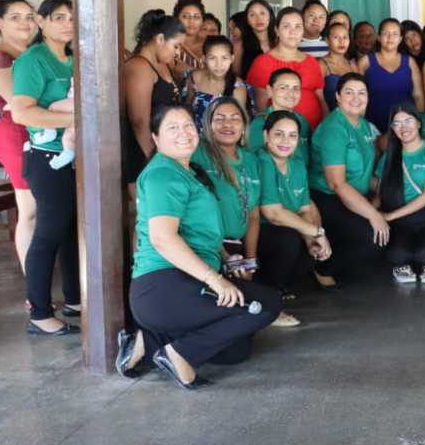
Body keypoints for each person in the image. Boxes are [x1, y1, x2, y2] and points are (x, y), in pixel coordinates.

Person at [117, 104, 278, 387]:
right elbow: (163, 238)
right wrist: (215, 280)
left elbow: (201, 233)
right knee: (265, 305)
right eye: (172, 128)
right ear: (155, 138)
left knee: (235, 351)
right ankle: (179, 354)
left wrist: (226, 259)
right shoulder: (162, 175)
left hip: (186, 279)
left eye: (188, 125)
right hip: (163, 286)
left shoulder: (191, 172)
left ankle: (148, 341)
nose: (183, 133)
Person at [10, 0, 80, 336]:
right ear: (42, 21)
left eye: (72, 17)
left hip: (76, 157)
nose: (68, 24)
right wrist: (76, 119)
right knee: (49, 232)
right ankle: (39, 313)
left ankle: (75, 299)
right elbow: (21, 112)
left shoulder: (73, 58)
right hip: (46, 157)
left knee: (71, 231)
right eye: (59, 17)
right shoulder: (32, 60)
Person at [190, 97, 271, 319]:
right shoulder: (197, 154)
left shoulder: (251, 160)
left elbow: (253, 215)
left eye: (235, 118)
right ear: (208, 124)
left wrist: (250, 262)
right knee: (250, 307)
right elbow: (194, 216)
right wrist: (226, 257)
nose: (228, 124)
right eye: (220, 119)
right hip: (208, 246)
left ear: (244, 125)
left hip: (238, 246)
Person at [309, 73, 384, 280]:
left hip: (354, 194)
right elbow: (337, 184)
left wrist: (384, 192)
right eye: (349, 92)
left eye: (362, 93)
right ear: (337, 96)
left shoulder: (363, 124)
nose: (356, 98)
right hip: (327, 197)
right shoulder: (334, 128)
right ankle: (323, 267)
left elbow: (364, 173)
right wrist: (373, 214)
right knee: (374, 237)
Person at [257, 110, 333, 296]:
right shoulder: (261, 160)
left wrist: (311, 240)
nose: (286, 141)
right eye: (279, 134)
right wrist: (316, 232)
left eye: (292, 135)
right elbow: (273, 214)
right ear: (266, 135)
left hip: (287, 227)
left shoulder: (297, 164)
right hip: (258, 231)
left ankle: (281, 286)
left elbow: (304, 209)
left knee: (310, 251)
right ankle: (268, 292)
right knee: (288, 239)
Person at [0, 0, 37, 276]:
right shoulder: (0, 58)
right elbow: (20, 102)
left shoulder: (32, 54)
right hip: (18, 134)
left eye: (29, 17)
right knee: (29, 211)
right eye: (15, 17)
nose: (25, 23)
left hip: (43, 132)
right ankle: (33, 284)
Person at [378, 103, 425, 284]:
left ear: (419, 123)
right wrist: (372, 213)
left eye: (408, 121)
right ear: (392, 129)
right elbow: (380, 191)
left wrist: (390, 216)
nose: (403, 127)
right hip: (400, 221)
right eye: (397, 123)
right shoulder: (389, 156)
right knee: (398, 255)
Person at [123, 10, 186, 192]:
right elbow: (139, 121)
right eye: (176, 46)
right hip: (145, 152)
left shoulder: (163, 63)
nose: (178, 52)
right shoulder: (139, 67)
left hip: (163, 149)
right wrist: (155, 158)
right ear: (159, 39)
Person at [247, 7, 326, 129]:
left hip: (314, 130)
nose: (292, 32)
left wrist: (325, 128)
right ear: (277, 30)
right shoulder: (263, 62)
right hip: (281, 133)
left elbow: (321, 100)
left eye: (298, 26)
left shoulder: (312, 62)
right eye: (286, 26)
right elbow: (261, 109)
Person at [357, 18, 425, 133]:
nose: (390, 37)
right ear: (378, 37)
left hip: (406, 127)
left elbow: (418, 96)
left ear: (400, 39)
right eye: (386, 33)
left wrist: (420, 124)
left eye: (395, 34)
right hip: (373, 126)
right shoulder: (365, 62)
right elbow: (357, 96)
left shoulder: (410, 62)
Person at [183, 35, 249, 130]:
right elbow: (187, 109)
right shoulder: (194, 78)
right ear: (204, 59)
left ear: (232, 59)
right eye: (212, 58)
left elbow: (237, 124)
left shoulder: (238, 88)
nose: (219, 64)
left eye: (224, 58)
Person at [248, 68, 310, 163]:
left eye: (295, 88)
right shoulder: (260, 123)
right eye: (283, 88)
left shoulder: (302, 120)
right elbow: (255, 161)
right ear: (269, 91)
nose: (291, 93)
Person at [319, 21, 358, 111]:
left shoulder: (352, 65)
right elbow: (319, 98)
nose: (341, 41)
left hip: (352, 114)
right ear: (327, 40)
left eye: (345, 37)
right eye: (336, 37)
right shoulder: (322, 64)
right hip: (331, 115)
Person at [232, 0, 276, 78]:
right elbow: (236, 77)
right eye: (252, 15)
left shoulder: (279, 42)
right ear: (248, 21)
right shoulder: (239, 45)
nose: (258, 19)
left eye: (262, 13)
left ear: (270, 16)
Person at [171, 0, 207, 76]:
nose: (191, 21)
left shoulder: (209, 45)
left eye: (196, 17)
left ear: (202, 20)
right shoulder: (170, 46)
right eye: (185, 16)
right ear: (177, 18)